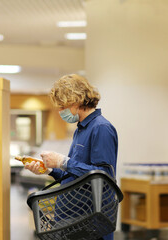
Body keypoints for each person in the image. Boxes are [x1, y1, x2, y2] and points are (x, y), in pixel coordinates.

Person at [25, 74, 118, 240]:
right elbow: (75, 175)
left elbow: (104, 177)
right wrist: (50, 169)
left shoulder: (101, 128)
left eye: (62, 106)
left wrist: (64, 161)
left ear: (77, 100)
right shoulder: (80, 129)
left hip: (90, 221)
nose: (60, 112)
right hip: (73, 219)